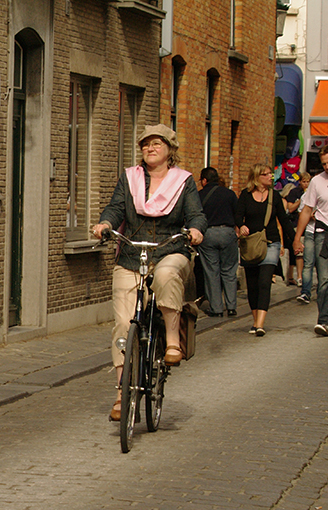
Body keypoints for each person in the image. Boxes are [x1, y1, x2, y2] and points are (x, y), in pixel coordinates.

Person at [91, 124, 205, 421]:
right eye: (145, 144)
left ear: (170, 149)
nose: (150, 148)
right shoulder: (130, 178)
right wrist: (105, 224)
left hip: (170, 249)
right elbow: (116, 208)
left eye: (156, 143)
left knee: (167, 275)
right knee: (122, 326)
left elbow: (195, 214)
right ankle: (120, 392)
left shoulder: (184, 181)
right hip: (131, 254)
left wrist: (195, 230)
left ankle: (171, 340)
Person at [235, 163, 291, 337]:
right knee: (252, 285)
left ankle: (260, 324)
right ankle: (255, 318)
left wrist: (295, 239)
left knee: (264, 282)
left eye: (270, 175)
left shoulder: (274, 196)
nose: (270, 177)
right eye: (266, 174)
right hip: (251, 244)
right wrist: (241, 226)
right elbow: (237, 214)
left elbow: (284, 219)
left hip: (271, 242)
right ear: (257, 177)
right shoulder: (245, 195)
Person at [295, 146, 328, 336]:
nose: (327, 167)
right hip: (324, 234)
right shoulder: (316, 181)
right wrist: (297, 237)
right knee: (324, 279)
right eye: (323, 163)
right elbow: (307, 210)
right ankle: (324, 321)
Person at [196, 167, 239, 318]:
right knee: (229, 271)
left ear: (204, 180)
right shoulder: (229, 194)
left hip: (208, 234)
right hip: (227, 232)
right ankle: (232, 306)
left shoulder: (199, 196)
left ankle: (216, 308)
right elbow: (237, 214)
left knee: (211, 272)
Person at [290, 173, 314, 303]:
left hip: (326, 232)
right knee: (308, 263)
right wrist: (297, 238)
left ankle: (324, 292)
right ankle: (305, 292)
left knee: (324, 266)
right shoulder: (306, 196)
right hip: (310, 231)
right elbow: (301, 212)